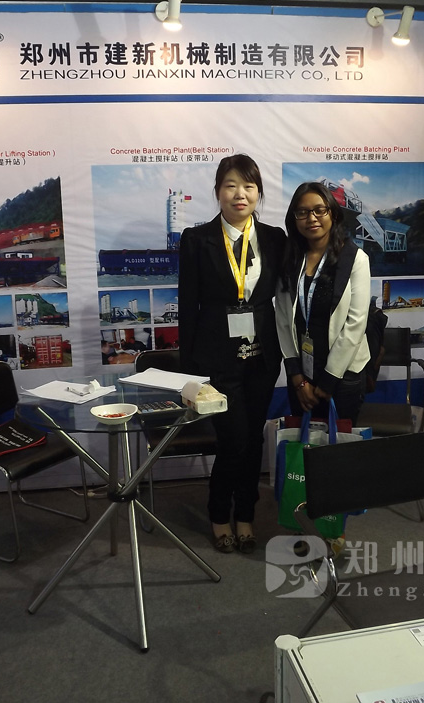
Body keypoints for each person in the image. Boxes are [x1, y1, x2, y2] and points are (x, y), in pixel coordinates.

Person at [178, 154, 286, 554]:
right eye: (231, 185)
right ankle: (219, 514)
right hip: (216, 359)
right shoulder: (196, 239)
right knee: (233, 439)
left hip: (262, 356)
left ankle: (246, 515)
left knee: (253, 438)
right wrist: (188, 373)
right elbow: (187, 305)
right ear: (218, 191)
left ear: (258, 193)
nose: (240, 194)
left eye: (249, 186)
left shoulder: (275, 238)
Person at [275, 182, 371, 424]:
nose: (311, 218)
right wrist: (296, 377)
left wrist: (329, 380)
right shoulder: (290, 258)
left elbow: (356, 323)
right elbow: (283, 320)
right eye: (302, 212)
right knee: (304, 442)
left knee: (340, 445)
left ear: (333, 214)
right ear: (294, 218)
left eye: (320, 210)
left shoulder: (355, 259)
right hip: (303, 376)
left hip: (343, 375)